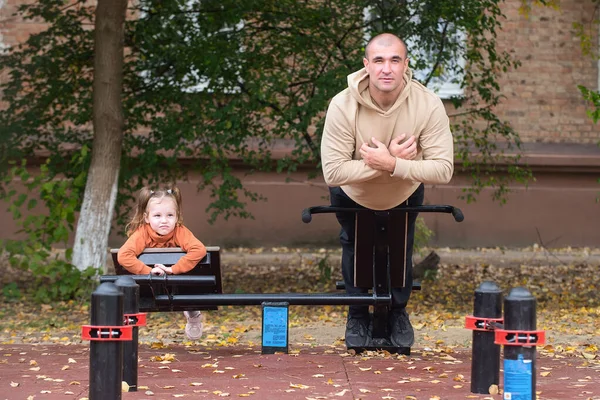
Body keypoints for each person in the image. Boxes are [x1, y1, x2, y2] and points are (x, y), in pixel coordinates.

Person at [320, 33, 454, 349]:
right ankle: (356, 314)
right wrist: (386, 162)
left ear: (405, 65)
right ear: (366, 66)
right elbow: (334, 171)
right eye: (378, 60)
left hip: (403, 193)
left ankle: (398, 313)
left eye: (395, 60)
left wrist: (393, 165)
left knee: (400, 248)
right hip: (353, 194)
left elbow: (443, 169)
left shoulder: (428, 104)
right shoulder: (342, 105)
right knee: (354, 247)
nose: (386, 68)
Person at [117, 185, 208, 341]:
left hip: (180, 285)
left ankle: (193, 314)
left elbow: (199, 250)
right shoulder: (142, 233)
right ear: (147, 218)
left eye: (170, 215)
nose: (164, 221)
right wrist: (148, 271)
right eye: (157, 216)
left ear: (177, 217)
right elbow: (124, 255)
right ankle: (192, 312)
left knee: (188, 287)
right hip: (150, 285)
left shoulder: (180, 231)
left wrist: (173, 269)